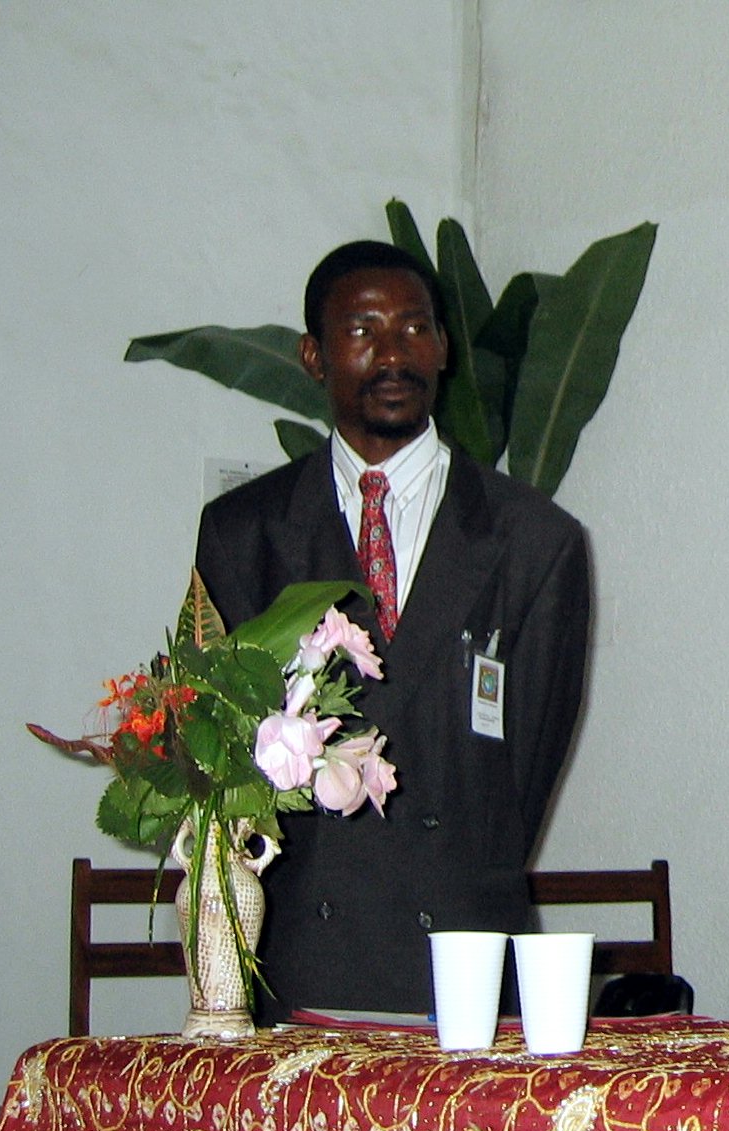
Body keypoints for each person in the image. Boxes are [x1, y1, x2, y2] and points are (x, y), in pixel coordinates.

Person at [196, 241, 590, 1025]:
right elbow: (229, 750)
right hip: (300, 958)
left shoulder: (534, 540)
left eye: (414, 328)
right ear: (313, 354)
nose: (392, 353)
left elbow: (526, 772)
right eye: (363, 330)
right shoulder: (244, 533)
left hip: (467, 963)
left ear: (443, 348)